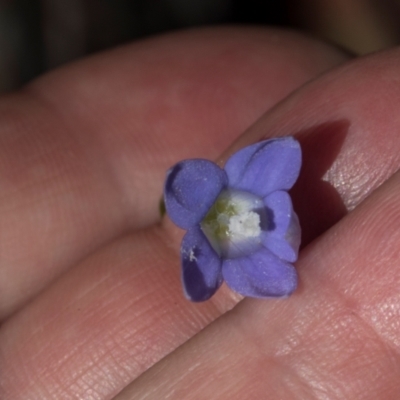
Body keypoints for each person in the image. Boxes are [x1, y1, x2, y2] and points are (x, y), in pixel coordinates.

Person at [1, 26, 399, 399]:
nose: (235, 220)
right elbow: (209, 270)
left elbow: (286, 151)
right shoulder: (192, 203)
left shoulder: (267, 166)